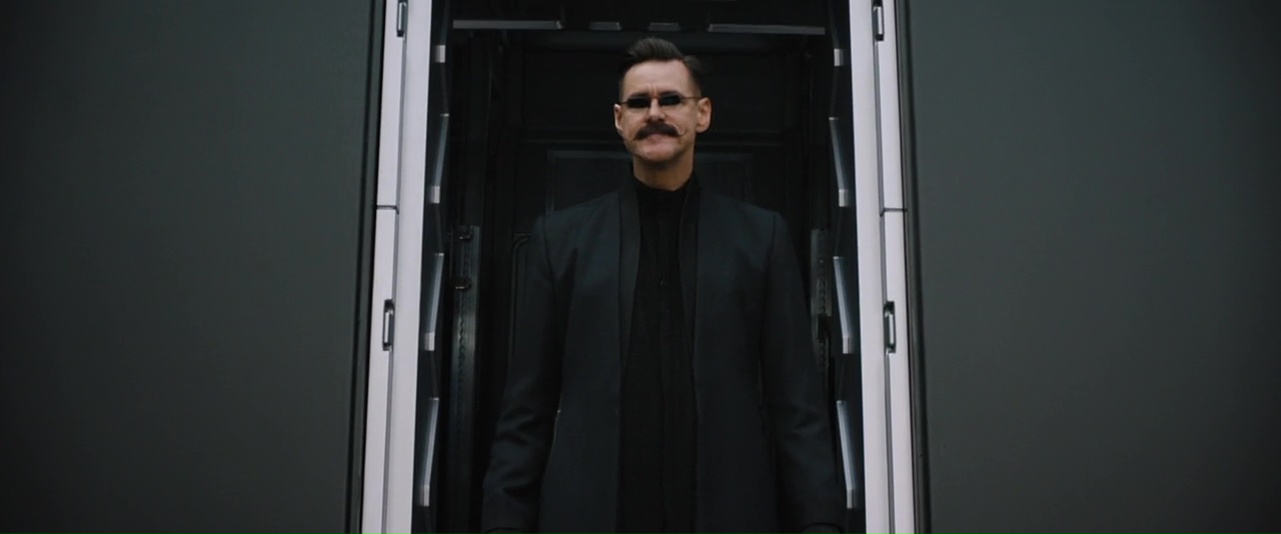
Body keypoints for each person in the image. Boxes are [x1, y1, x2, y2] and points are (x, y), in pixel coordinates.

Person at [481, 36, 844, 534]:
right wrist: (503, 523)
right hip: (590, 515)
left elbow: (796, 407)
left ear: (702, 114)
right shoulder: (560, 241)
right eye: (639, 103)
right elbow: (527, 408)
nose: (654, 113)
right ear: (619, 120)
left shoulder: (762, 239)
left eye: (671, 99)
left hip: (728, 514)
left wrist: (821, 522)